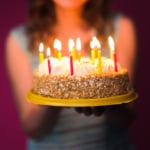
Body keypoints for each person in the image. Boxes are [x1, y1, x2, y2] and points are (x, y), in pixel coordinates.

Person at [5, 0, 138, 149]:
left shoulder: (120, 27)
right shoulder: (19, 40)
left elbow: (127, 118)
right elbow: (33, 130)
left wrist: (108, 103)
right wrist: (59, 92)